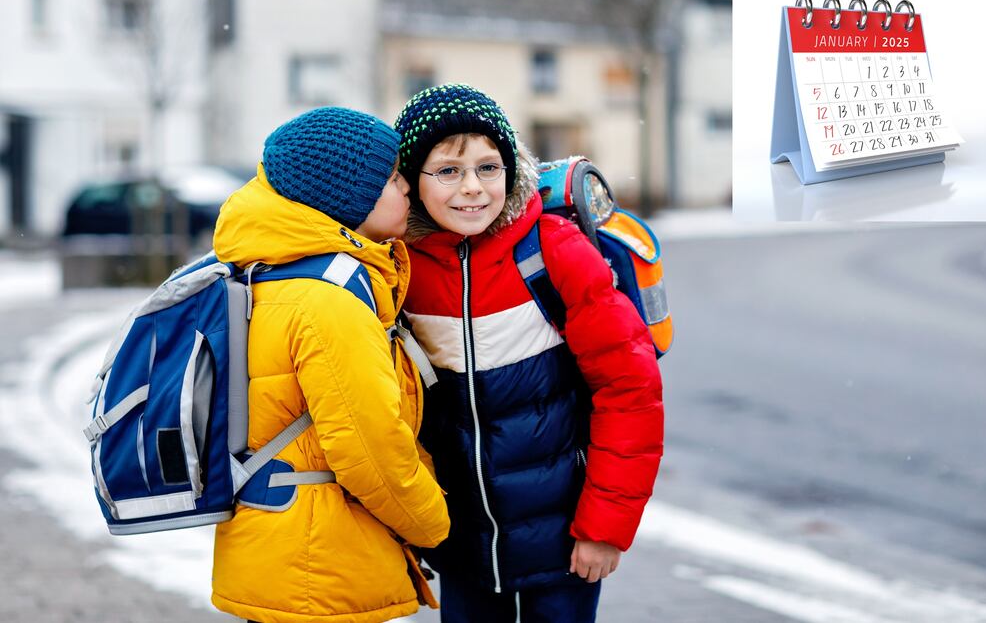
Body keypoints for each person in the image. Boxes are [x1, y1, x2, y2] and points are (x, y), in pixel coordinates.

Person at [396, 83, 664, 622]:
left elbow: (630, 392)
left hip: (565, 545)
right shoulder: (402, 268)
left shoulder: (553, 251)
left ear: (510, 170)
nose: (472, 188)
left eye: (487, 167)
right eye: (448, 171)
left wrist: (604, 529)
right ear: (412, 182)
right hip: (463, 545)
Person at [210, 106, 450, 623]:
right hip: (318, 568)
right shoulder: (329, 301)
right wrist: (435, 526)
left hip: (282, 547)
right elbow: (369, 448)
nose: (406, 188)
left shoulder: (274, 270)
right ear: (345, 198)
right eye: (390, 178)